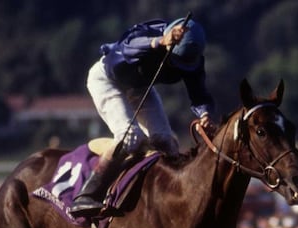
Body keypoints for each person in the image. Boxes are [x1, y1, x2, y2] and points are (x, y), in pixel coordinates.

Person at [69, 17, 217, 217]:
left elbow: (199, 94)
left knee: (168, 143)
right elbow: (126, 46)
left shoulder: (192, 60)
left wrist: (205, 114)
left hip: (139, 88)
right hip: (107, 80)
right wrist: (158, 42)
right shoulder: (150, 33)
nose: (178, 68)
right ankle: (87, 194)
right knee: (130, 137)